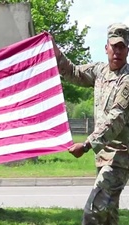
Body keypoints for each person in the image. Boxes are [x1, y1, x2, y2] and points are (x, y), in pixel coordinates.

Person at [51, 23, 129, 225]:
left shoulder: (127, 81)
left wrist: (86, 145)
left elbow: (116, 118)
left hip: (120, 158)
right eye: (114, 46)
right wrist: (55, 52)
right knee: (108, 216)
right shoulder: (100, 72)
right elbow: (73, 72)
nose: (117, 51)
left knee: (92, 212)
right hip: (103, 157)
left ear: (128, 49)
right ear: (106, 48)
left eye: (122, 46)